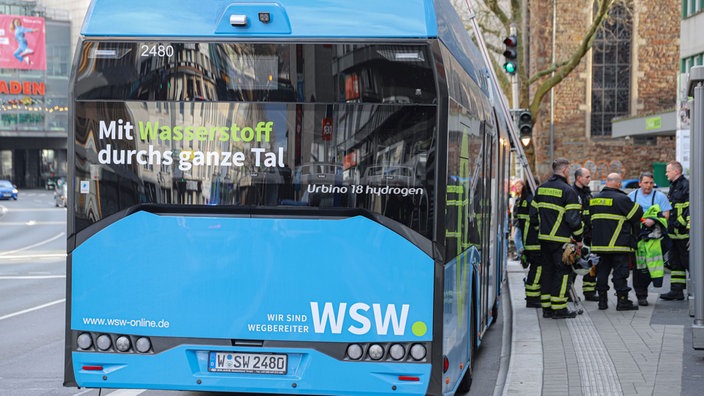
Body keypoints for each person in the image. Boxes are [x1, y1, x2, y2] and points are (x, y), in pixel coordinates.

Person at [529, 158, 584, 319]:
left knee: (547, 271)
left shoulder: (541, 189)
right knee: (562, 272)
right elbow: (573, 219)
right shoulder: (568, 191)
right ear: (566, 170)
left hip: (543, 239)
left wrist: (541, 230)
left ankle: (547, 308)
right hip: (560, 241)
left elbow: (533, 216)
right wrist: (578, 238)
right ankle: (559, 309)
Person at [590, 173, 643, 310]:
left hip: (599, 246)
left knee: (601, 273)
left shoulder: (594, 199)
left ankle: (602, 302)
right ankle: (622, 301)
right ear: (619, 184)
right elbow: (637, 214)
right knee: (620, 274)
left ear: (606, 182)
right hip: (619, 244)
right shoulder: (622, 199)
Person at [627, 171, 671, 304]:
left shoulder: (660, 197)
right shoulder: (631, 196)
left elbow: (666, 214)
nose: (648, 186)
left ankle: (645, 287)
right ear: (640, 183)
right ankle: (641, 295)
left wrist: (653, 220)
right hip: (637, 237)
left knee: (653, 265)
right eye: (645, 183)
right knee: (639, 267)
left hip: (655, 238)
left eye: (651, 183)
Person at [661, 161, 690, 300]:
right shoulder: (673, 186)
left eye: (668, 171)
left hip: (684, 233)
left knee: (689, 262)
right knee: (675, 263)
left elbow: (691, 207)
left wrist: (682, 223)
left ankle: (697, 291)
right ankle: (676, 291)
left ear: (676, 172)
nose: (666, 173)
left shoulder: (686, 185)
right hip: (673, 233)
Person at [515, 177, 542, 308]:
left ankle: (532, 296)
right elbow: (536, 221)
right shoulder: (532, 201)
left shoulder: (523, 200)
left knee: (534, 269)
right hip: (535, 241)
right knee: (537, 269)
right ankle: (532, 298)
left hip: (528, 241)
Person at [572, 167, 598, 301]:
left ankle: (590, 292)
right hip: (577, 236)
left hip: (589, 235)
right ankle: (568, 293)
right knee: (574, 265)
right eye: (587, 177)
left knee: (590, 264)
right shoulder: (572, 193)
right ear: (579, 178)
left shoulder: (588, 193)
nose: (589, 179)